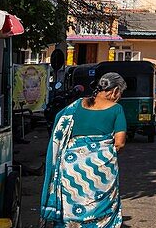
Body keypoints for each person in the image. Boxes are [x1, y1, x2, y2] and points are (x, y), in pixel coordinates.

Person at [40, 72, 128, 228]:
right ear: (114, 91)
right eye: (120, 92)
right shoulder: (117, 109)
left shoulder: (76, 105)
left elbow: (59, 125)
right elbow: (119, 143)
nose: (119, 97)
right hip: (100, 169)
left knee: (71, 203)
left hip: (70, 166)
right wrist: (102, 157)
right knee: (100, 207)